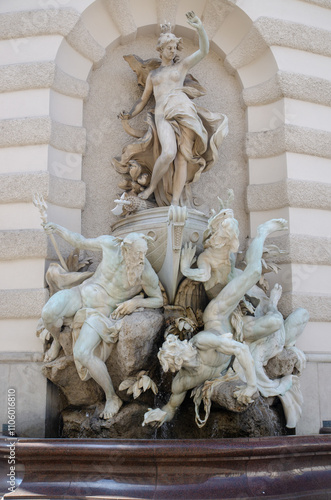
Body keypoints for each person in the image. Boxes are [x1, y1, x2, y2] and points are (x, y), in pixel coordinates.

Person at [143, 218, 288, 427]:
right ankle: (270, 306)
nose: (183, 350)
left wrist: (251, 386)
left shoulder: (202, 342)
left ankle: (262, 231)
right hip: (237, 330)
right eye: (176, 358)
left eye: (178, 349)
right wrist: (161, 414)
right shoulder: (183, 381)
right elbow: (172, 406)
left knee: (254, 272)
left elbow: (241, 351)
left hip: (218, 312)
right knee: (274, 322)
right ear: (178, 364)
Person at [41, 223, 163, 419]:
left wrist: (134, 303)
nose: (141, 258)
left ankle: (112, 397)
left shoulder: (144, 271)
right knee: (48, 313)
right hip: (80, 294)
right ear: (126, 247)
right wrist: (57, 229)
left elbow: (159, 299)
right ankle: (57, 339)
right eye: (138, 253)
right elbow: (79, 241)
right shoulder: (110, 244)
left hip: (100, 313)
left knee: (82, 352)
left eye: (144, 253)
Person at [118, 11, 228, 207]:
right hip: (162, 114)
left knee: (182, 158)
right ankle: (152, 188)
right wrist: (129, 114)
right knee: (168, 153)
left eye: (174, 47)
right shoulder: (153, 75)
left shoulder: (182, 67)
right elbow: (143, 100)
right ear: (160, 50)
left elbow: (203, 50)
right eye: (168, 48)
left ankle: (176, 202)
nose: (172, 51)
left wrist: (200, 28)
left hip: (184, 111)